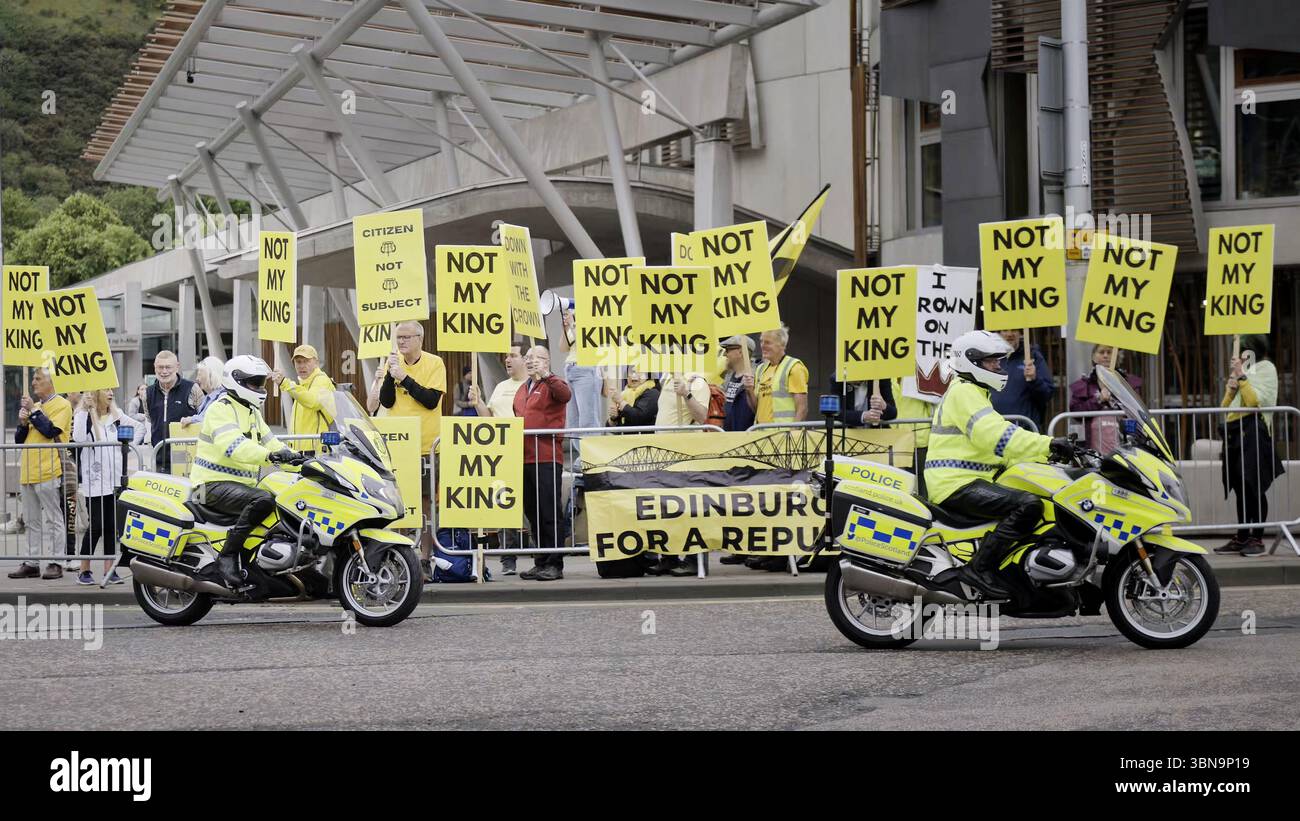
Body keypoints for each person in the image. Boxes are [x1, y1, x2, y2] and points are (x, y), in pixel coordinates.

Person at [925, 331, 1072, 598]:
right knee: (1028, 505)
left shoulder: (977, 393)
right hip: (954, 485)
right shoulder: (964, 393)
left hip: (968, 481)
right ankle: (980, 568)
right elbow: (997, 436)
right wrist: (1048, 444)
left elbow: (999, 451)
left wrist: (1050, 459)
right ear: (973, 362)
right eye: (992, 361)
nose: (999, 366)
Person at [190, 356, 305, 588]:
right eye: (253, 383)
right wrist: (269, 456)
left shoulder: (251, 411)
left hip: (238, 486)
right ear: (236, 382)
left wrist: (301, 461)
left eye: (261, 382)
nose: (259, 388)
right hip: (210, 485)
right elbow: (234, 447)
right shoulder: (220, 409)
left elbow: (272, 442)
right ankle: (228, 556)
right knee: (264, 500)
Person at [377, 321, 446, 580]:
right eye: (399, 337)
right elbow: (386, 401)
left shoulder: (434, 363)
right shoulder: (392, 362)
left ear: (420, 338)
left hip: (427, 446)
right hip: (400, 447)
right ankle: (401, 558)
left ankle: (425, 558)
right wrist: (389, 373)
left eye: (406, 337)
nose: (402, 342)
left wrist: (404, 378)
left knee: (426, 505)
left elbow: (430, 400)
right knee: (400, 504)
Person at [1216, 334, 1284, 558]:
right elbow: (1226, 407)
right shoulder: (1244, 374)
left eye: (1244, 351)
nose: (1240, 356)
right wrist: (1232, 388)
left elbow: (1256, 401)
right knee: (1239, 487)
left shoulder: (1265, 368)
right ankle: (1242, 536)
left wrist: (1242, 377)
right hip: (1236, 434)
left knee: (1253, 485)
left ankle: (1257, 538)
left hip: (1254, 434)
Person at [466, 342, 530, 575]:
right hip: (503, 453)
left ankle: (542, 556)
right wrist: (479, 402)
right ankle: (508, 559)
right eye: (506, 356)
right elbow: (489, 417)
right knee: (506, 507)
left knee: (532, 507)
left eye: (513, 355)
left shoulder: (533, 385)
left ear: (525, 359)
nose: (507, 359)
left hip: (528, 452)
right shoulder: (501, 386)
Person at [72, 389, 144, 585]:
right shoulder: (83, 416)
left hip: (113, 481)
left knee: (112, 526)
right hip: (95, 482)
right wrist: (86, 411)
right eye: (106, 389)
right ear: (95, 392)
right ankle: (84, 570)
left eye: (112, 389)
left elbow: (139, 428)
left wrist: (126, 447)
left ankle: (109, 570)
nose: (111, 393)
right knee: (96, 526)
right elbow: (78, 439)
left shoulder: (117, 416)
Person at [8, 369, 72, 580]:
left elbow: (51, 431)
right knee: (31, 520)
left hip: (48, 468)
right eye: (33, 379)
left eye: (38, 379)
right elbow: (20, 440)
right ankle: (32, 562)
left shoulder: (62, 405)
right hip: (28, 470)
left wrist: (33, 412)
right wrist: (22, 422)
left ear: (51, 383)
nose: (34, 383)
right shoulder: (36, 406)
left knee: (53, 519)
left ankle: (56, 561)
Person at [515, 346, 571, 581]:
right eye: (527, 358)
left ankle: (554, 562)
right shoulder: (522, 389)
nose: (531, 361)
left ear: (547, 361)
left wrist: (546, 374)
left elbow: (565, 395)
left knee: (548, 510)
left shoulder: (552, 383)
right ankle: (541, 559)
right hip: (524, 457)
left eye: (536, 358)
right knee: (533, 511)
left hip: (546, 456)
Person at [1068, 344, 1142, 452]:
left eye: (1109, 352)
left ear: (1116, 356)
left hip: (1125, 444)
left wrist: (1117, 396)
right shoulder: (1084, 384)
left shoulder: (1128, 383)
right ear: (1093, 357)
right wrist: (1098, 400)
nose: (1106, 356)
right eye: (1101, 352)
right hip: (1093, 447)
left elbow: (1137, 411)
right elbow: (1076, 411)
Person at [273, 344, 337, 453]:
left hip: (316, 454)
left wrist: (285, 383)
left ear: (316, 362)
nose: (301, 365)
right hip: (301, 453)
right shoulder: (303, 385)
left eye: (306, 361)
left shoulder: (321, 380)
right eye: (298, 362)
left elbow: (313, 401)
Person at [148, 350, 203, 473]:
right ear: (155, 367)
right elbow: (150, 420)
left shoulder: (192, 389)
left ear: (177, 367)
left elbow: (204, 416)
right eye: (160, 367)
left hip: (188, 460)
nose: (164, 371)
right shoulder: (148, 393)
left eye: (168, 367)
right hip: (159, 460)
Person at [989, 329, 1054, 432]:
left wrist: (1034, 380)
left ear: (1020, 333)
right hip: (994, 429)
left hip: (1023, 431)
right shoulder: (990, 359)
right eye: (1005, 330)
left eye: (1014, 330)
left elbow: (1047, 394)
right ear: (998, 333)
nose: (1010, 334)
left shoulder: (1032, 357)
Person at [749, 326, 808, 425]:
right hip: (760, 434)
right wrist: (749, 390)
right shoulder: (760, 369)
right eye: (761, 341)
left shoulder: (794, 367)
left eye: (768, 342)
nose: (762, 346)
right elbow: (756, 408)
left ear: (782, 345)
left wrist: (793, 434)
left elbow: (802, 408)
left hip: (783, 435)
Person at [719, 335, 757, 432]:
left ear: (740, 352)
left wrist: (750, 390)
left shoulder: (757, 377)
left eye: (727, 350)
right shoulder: (727, 377)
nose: (724, 355)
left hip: (748, 439)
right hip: (728, 438)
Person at [181, 356, 227, 426]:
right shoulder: (208, 398)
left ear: (211, 375)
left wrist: (191, 419)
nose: (197, 379)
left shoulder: (223, 397)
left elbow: (211, 418)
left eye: (200, 375)